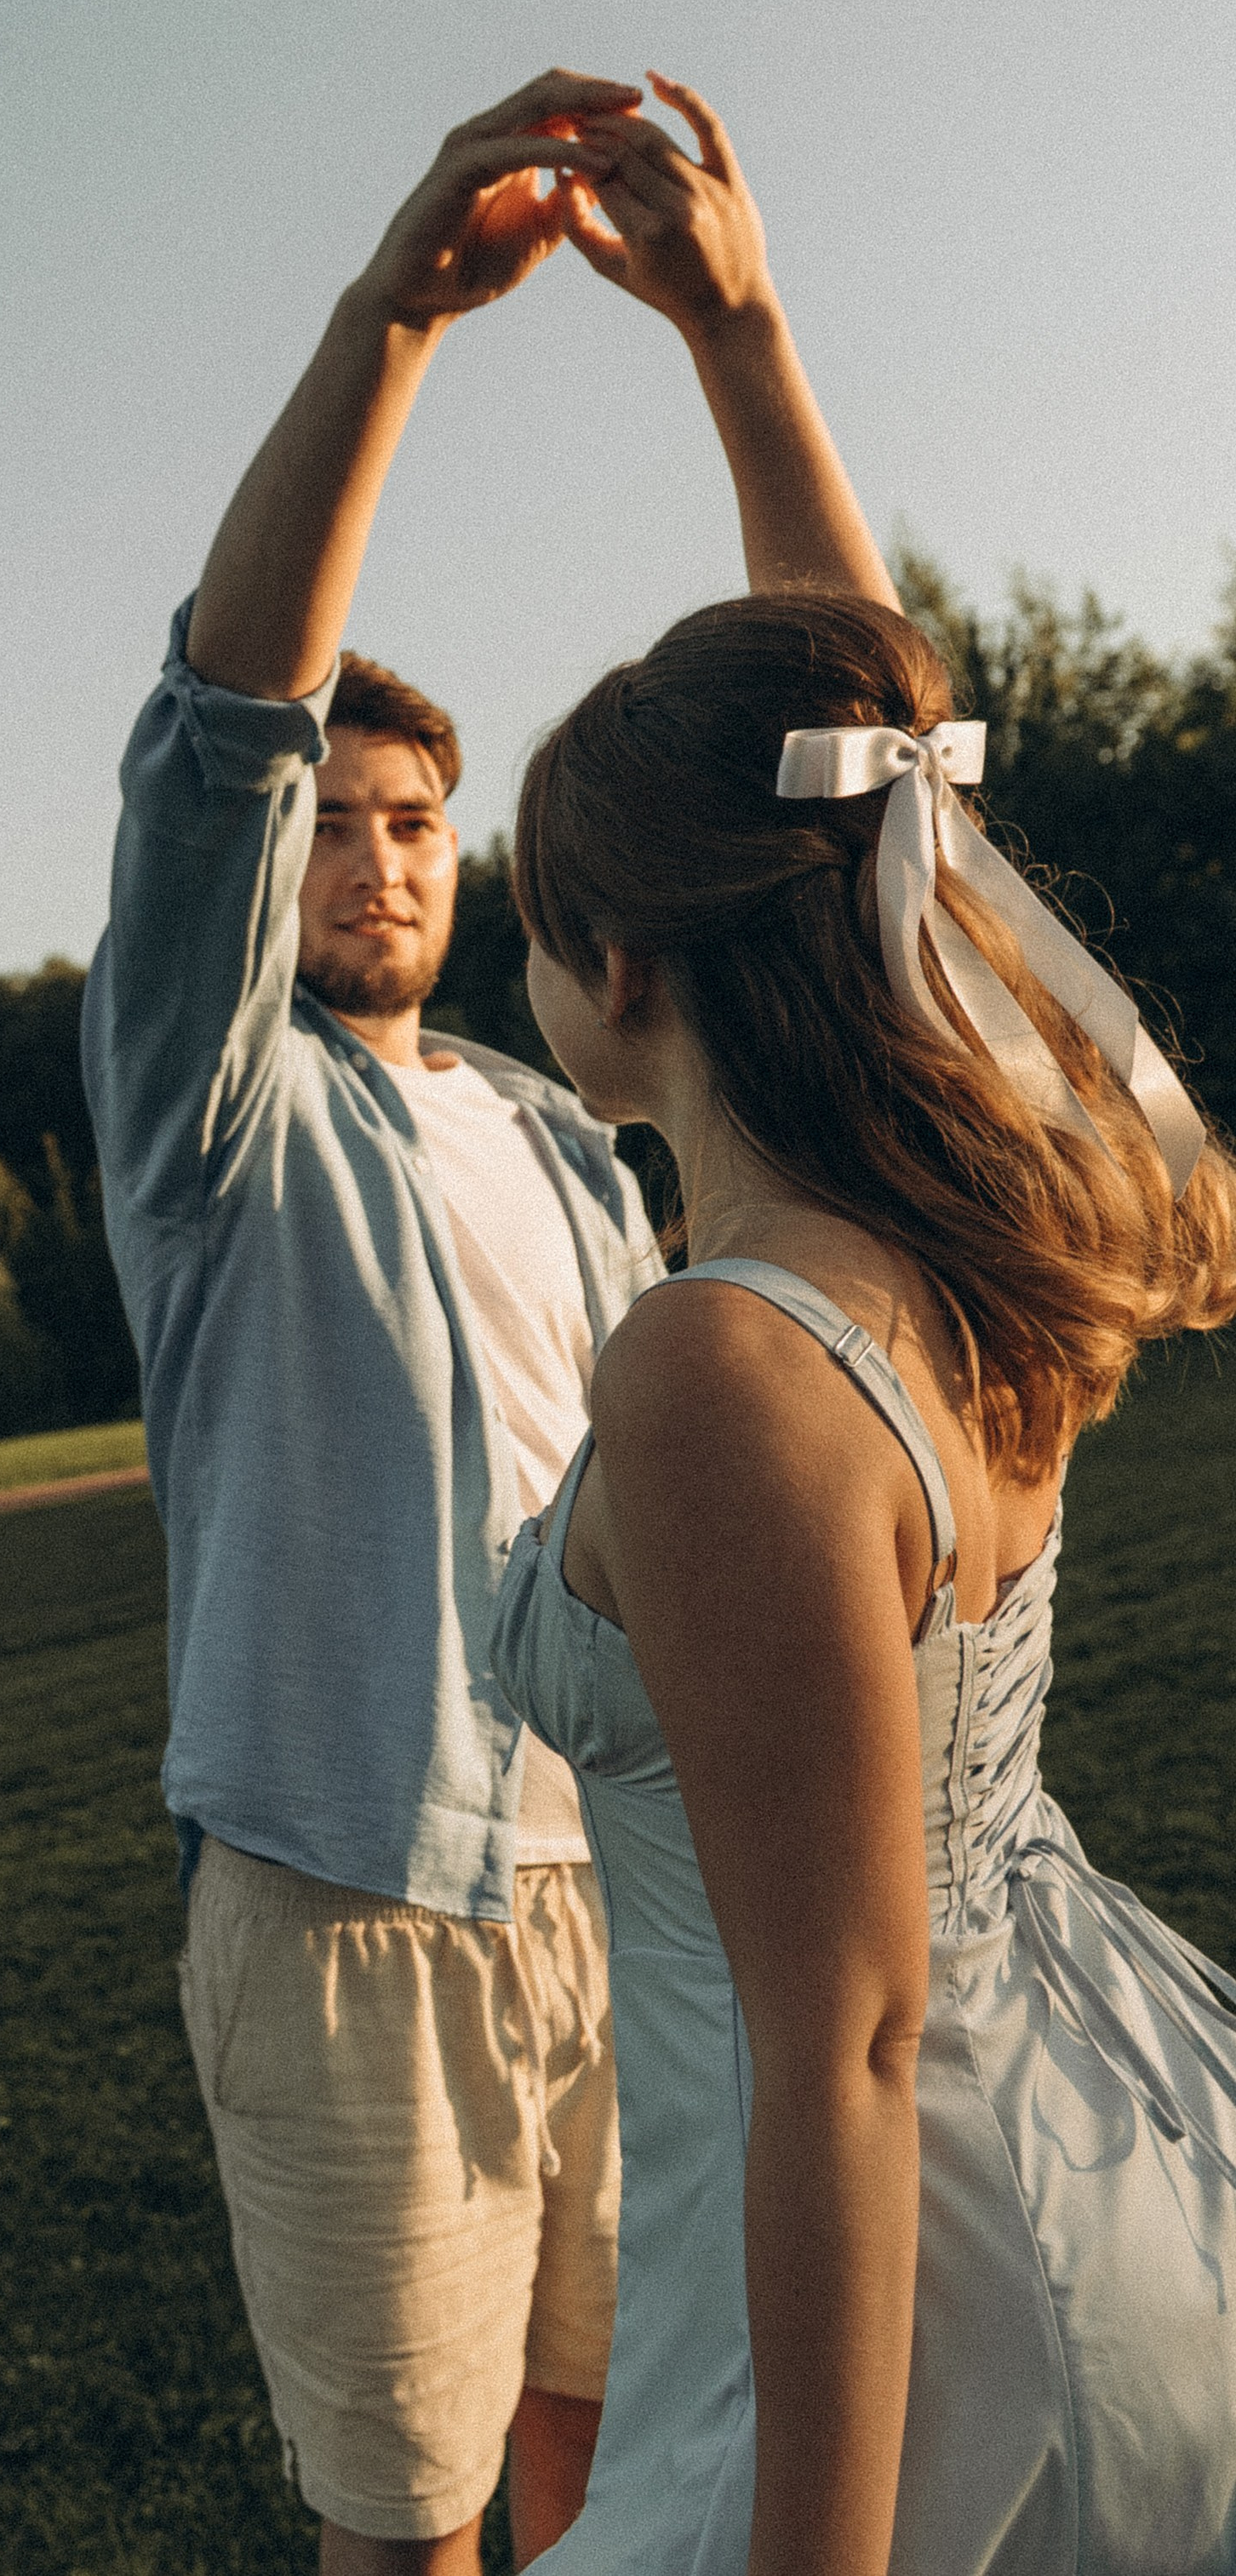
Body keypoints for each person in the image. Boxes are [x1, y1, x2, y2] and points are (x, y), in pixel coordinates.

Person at [83, 69, 899, 2573]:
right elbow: (221, 730)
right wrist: (384, 332)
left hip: (606, 1877)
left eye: (417, 820)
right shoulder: (216, 1119)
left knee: (604, 2454)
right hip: (347, 1897)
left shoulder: (572, 1138)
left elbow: (872, 835)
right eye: (331, 822)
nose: (374, 856)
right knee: (410, 2523)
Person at [492, 538, 1236, 2559]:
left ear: (620, 965)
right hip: (1099, 2133)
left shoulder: (722, 1355)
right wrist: (734, 333)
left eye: (535, 933)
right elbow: (861, 745)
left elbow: (846, 2042)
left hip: (898, 2285)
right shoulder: (966, 1249)